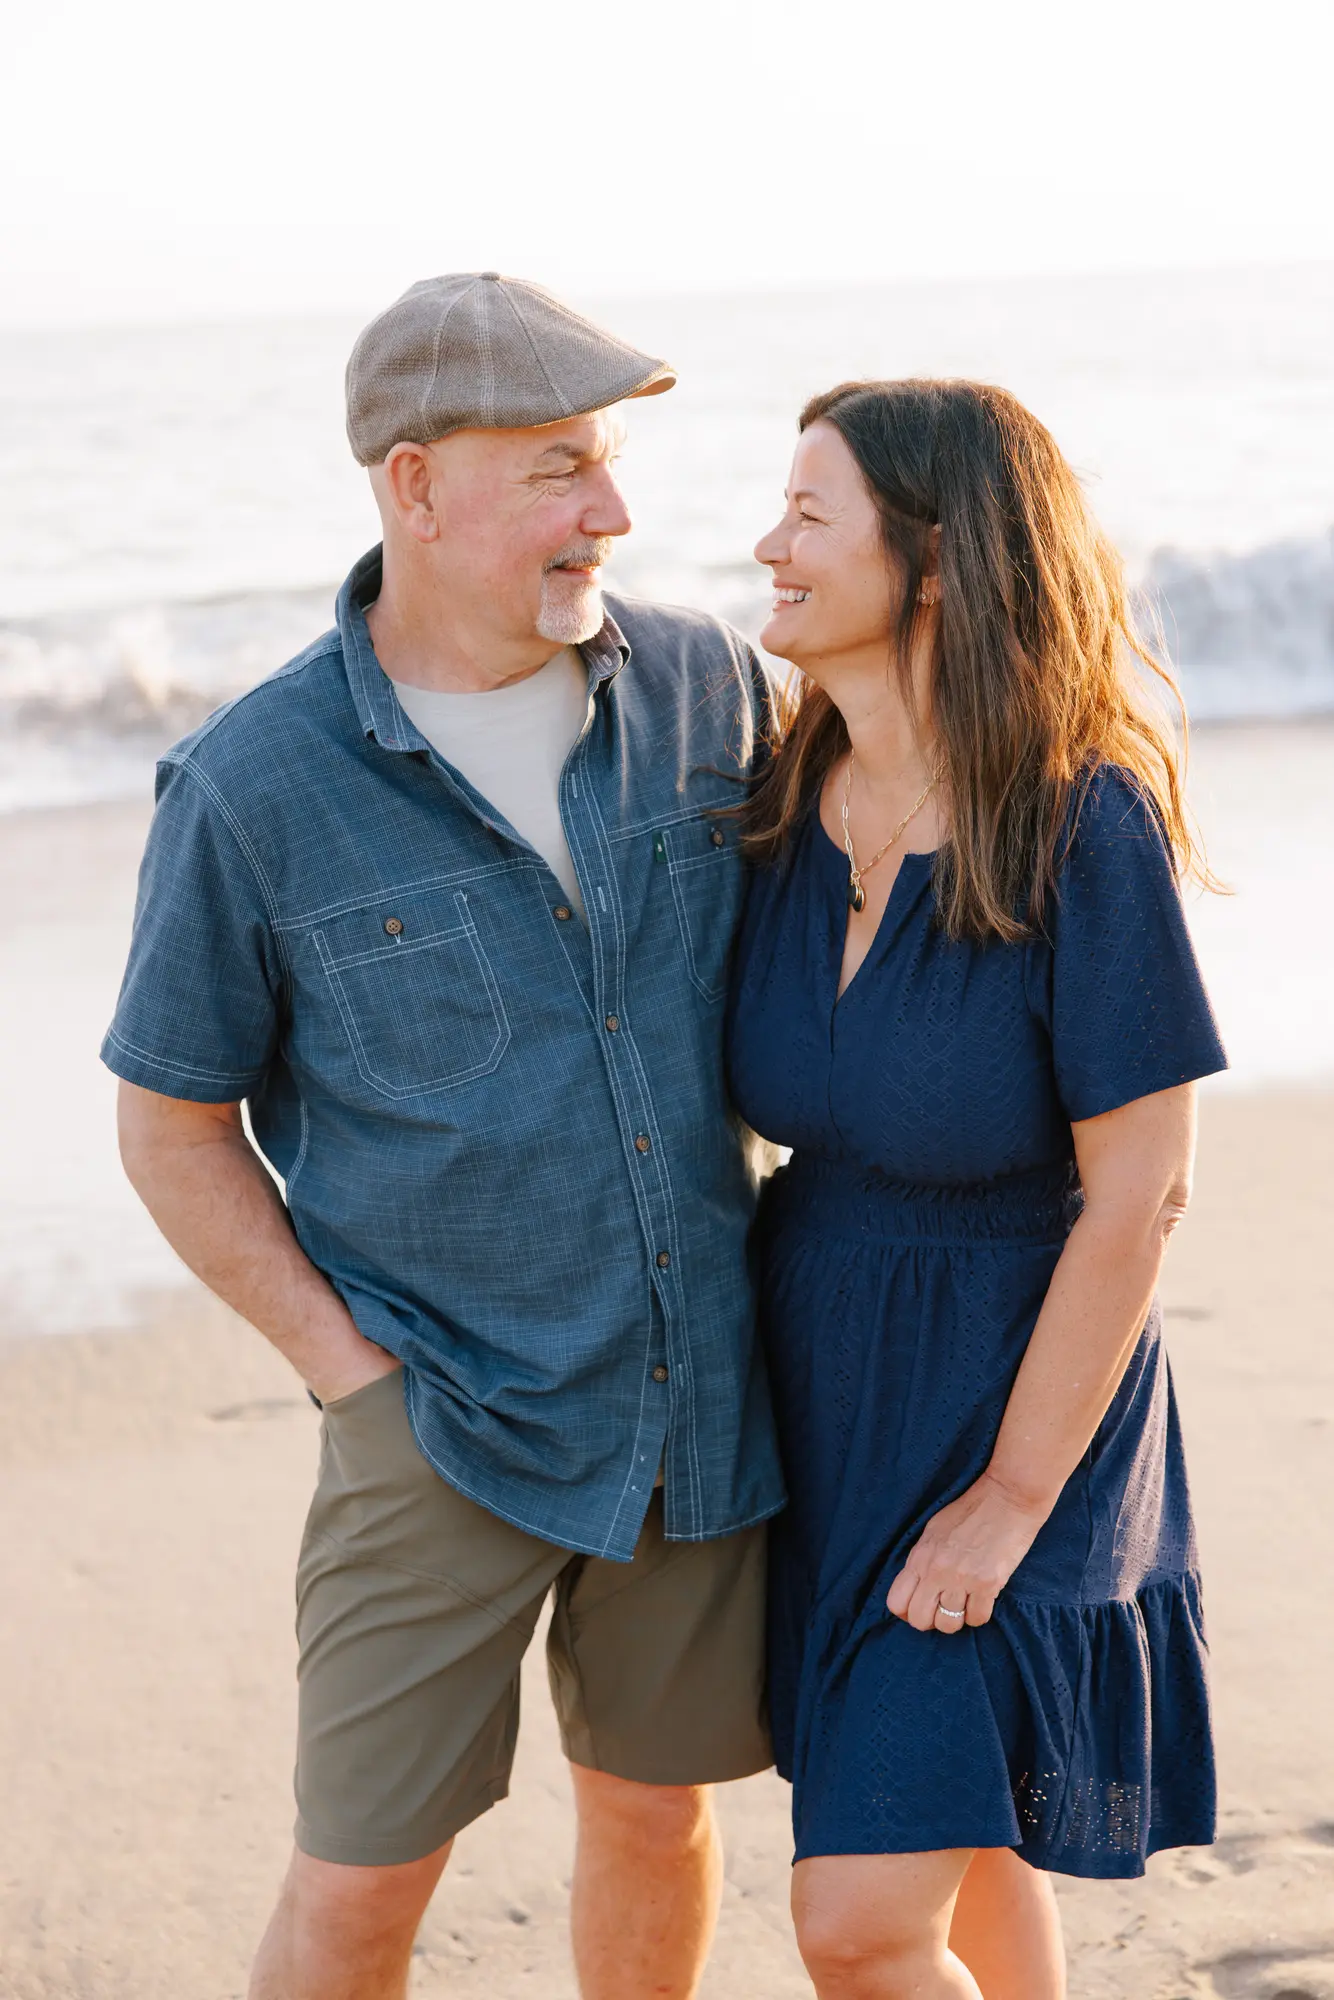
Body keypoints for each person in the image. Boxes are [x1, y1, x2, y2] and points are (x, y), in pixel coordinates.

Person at [100, 272, 789, 2000]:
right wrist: (350, 1377)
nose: (611, 510)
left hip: (693, 1403)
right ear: (413, 487)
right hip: (438, 1421)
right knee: (359, 1891)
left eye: (610, 464)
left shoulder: (707, 690)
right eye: (558, 466)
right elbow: (172, 1123)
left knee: (654, 1819)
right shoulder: (252, 786)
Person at [727, 378, 1227, 2000]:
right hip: (831, 1399)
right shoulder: (781, 799)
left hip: (1027, 1406)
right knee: (964, 1836)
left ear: (934, 564)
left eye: (809, 516)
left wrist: (1011, 1497)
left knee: (860, 1923)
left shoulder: (1079, 822)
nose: (766, 547)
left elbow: (1140, 1185)